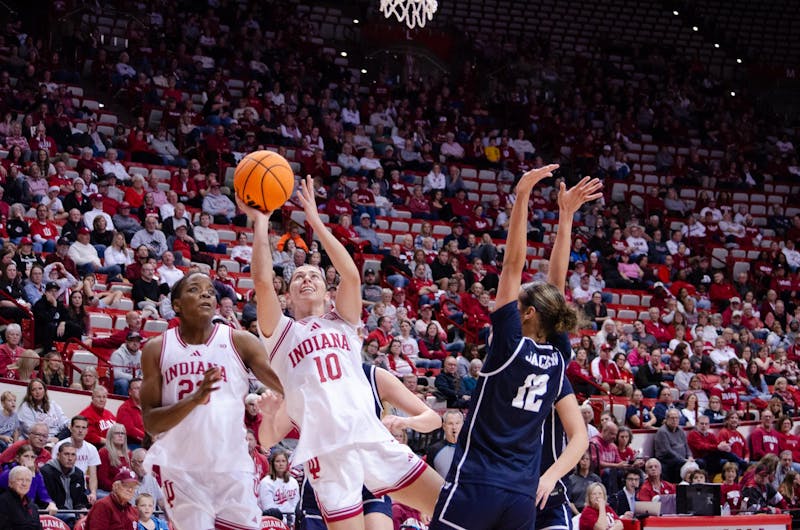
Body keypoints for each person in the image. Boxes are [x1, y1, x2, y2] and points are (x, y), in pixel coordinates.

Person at [244, 174, 442, 529]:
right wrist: (261, 222)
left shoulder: (343, 322)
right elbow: (261, 282)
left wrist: (316, 222)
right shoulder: (282, 334)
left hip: (368, 434)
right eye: (297, 278)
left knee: (451, 507)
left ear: (326, 292)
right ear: (287, 296)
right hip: (327, 453)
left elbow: (350, 276)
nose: (306, 279)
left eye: (314, 276)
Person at [429, 166, 592, 529]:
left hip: (477, 483)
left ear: (529, 314)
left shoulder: (508, 346)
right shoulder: (558, 358)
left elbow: (512, 265)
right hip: (522, 495)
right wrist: (565, 216)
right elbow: (557, 286)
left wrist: (521, 196)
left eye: (516, 303)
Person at [140, 272, 284, 530]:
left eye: (210, 290)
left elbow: (284, 383)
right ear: (177, 305)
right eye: (195, 289)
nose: (206, 293)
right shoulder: (156, 349)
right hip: (182, 470)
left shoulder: (239, 341)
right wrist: (195, 399)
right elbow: (151, 423)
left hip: (232, 465)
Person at [258, 362, 443, 530]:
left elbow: (433, 419)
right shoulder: (306, 379)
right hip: (323, 481)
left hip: (369, 477)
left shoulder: (372, 375)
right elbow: (267, 441)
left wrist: (406, 421)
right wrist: (268, 415)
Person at [40, 441, 90, 527]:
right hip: (54, 512)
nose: (70, 458)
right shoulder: (46, 472)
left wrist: (81, 508)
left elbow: (80, 499)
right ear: (58, 456)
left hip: (74, 512)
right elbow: (46, 500)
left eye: (73, 455)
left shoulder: (78, 474)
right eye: (66, 454)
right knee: (70, 517)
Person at [52, 415, 100, 504]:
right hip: (62, 488)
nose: (80, 430)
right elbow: (54, 472)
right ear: (71, 428)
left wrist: (93, 493)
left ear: (87, 430)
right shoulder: (60, 446)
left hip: (82, 489)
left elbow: (93, 476)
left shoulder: (92, 449)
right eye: (77, 427)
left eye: (83, 428)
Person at [257, 450, 300, 518]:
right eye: (277, 461)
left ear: (287, 463)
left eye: (283, 461)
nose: (281, 464)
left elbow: (295, 504)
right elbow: (268, 508)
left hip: (292, 518)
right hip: (273, 518)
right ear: (272, 464)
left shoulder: (293, 481)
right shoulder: (266, 482)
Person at [654, 409, 693, 483]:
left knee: (700, 462)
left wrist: (690, 456)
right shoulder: (662, 432)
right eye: (672, 418)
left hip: (682, 458)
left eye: (676, 418)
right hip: (667, 459)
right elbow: (668, 451)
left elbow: (686, 445)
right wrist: (684, 460)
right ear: (667, 419)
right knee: (680, 463)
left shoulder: (680, 430)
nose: (675, 420)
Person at [426, 411, 464, 478]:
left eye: (457, 423)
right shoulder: (434, 450)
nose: (454, 427)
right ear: (444, 426)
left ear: (463, 425)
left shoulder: (471, 448)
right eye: (450, 423)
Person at [110, 332, 144, 396]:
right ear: (126, 342)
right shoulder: (118, 354)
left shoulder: (141, 354)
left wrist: (141, 379)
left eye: (137, 341)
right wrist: (134, 378)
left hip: (135, 380)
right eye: (132, 341)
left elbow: (144, 372)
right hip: (118, 381)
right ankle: (123, 404)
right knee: (123, 383)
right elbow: (116, 374)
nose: (135, 344)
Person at [117, 378, 145, 448]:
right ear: (130, 392)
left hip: (148, 441)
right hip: (133, 444)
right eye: (137, 388)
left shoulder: (148, 406)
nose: (140, 390)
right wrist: (148, 439)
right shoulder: (124, 408)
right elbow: (130, 430)